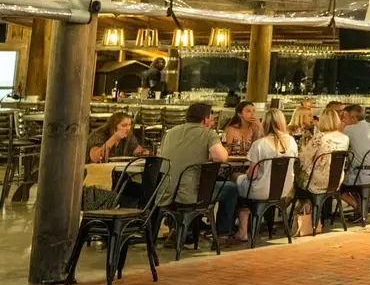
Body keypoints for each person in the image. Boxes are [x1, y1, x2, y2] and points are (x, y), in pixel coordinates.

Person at [157, 101, 241, 245]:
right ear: (205, 119)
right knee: (231, 188)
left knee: (196, 182)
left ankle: (179, 230)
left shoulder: (170, 132)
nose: (212, 121)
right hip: (190, 194)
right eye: (211, 118)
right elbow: (220, 157)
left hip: (165, 191)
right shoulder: (208, 134)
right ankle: (223, 235)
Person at [239, 109, 298, 220]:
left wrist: (246, 173)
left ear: (264, 123)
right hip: (285, 190)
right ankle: (266, 221)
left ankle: (243, 226)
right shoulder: (292, 142)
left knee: (237, 183)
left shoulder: (259, 144)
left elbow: (252, 176)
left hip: (262, 191)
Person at [84, 111, 145, 208]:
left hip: (118, 178)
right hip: (97, 182)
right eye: (124, 125)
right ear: (114, 127)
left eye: (129, 125)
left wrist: (143, 152)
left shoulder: (128, 135)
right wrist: (114, 138)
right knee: (130, 200)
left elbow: (138, 150)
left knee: (145, 192)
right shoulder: (100, 135)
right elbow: (95, 157)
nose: (127, 128)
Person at [299, 106, 349, 194]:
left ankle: (303, 201)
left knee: (296, 175)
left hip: (317, 182)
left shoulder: (320, 137)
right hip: (337, 180)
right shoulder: (345, 138)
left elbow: (304, 159)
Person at [340, 103, 370, 195]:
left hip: (360, 176)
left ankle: (357, 203)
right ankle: (361, 201)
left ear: (354, 119)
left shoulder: (348, 129)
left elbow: (339, 143)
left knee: (334, 186)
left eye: (344, 118)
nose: (342, 120)